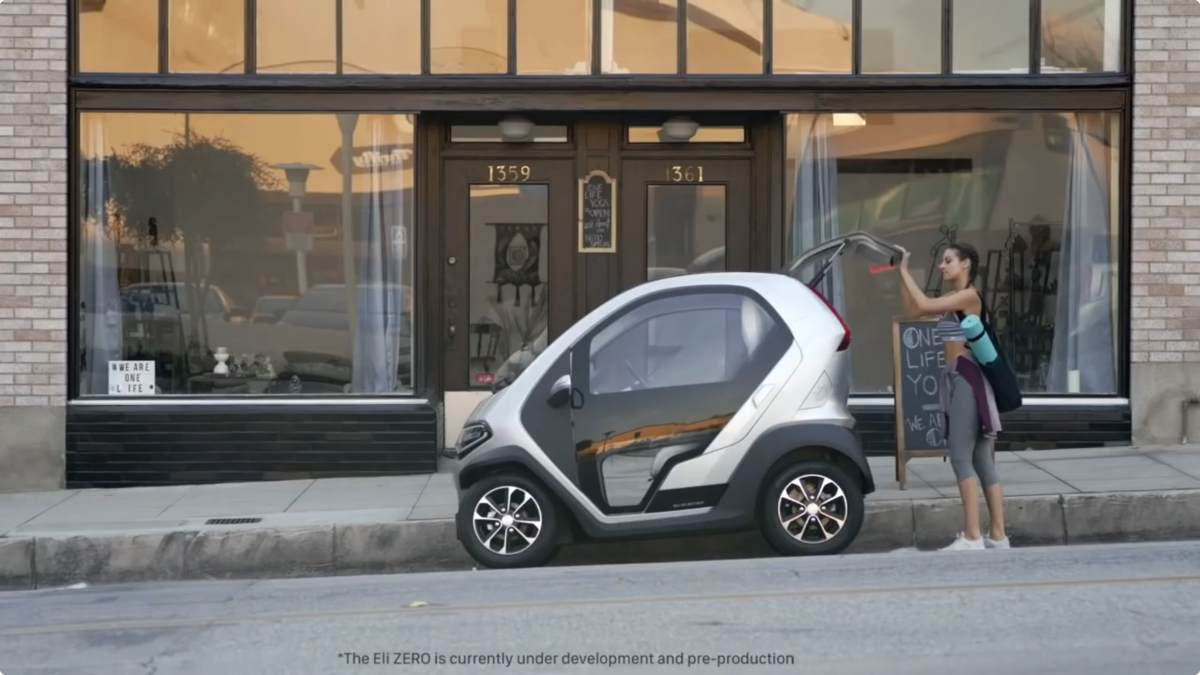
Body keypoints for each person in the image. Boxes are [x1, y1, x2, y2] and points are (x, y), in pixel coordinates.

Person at [896, 242, 1009, 551]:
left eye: (948, 261)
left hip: (966, 379)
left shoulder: (968, 297)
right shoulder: (952, 301)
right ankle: (998, 536)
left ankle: (972, 537)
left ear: (966, 264)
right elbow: (913, 310)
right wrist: (901, 275)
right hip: (962, 379)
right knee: (981, 460)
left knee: (960, 457)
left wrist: (904, 270)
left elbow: (922, 305)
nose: (941, 266)